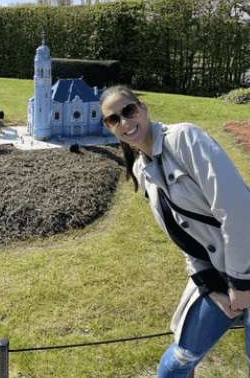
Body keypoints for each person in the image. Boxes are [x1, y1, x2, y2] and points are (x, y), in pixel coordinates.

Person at [99, 85, 250, 376]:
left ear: (143, 108)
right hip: (220, 278)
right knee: (175, 366)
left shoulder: (185, 139)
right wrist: (210, 287)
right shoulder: (143, 173)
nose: (124, 122)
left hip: (244, 269)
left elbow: (238, 211)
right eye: (113, 119)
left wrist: (241, 284)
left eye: (128, 111)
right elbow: (185, 239)